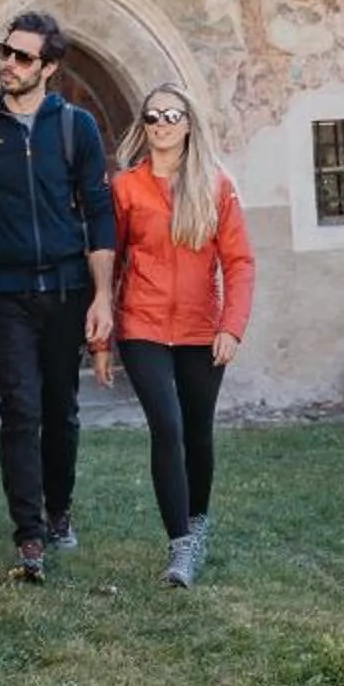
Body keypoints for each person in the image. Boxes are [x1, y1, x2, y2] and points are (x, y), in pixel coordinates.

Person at [0, 11, 117, 584]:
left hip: (66, 289)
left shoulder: (78, 129)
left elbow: (98, 217)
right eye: (5, 52)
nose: (8, 64)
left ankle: (58, 509)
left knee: (61, 411)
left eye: (21, 57)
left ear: (49, 67)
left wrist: (102, 298)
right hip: (4, 291)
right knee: (20, 410)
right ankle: (30, 536)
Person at [107, 82, 254, 589]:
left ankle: (198, 521)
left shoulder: (216, 186)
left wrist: (231, 326)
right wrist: (103, 336)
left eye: (172, 115)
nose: (162, 124)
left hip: (201, 330)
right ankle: (181, 547)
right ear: (144, 126)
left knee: (197, 431)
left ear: (189, 123)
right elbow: (111, 261)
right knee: (167, 427)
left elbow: (239, 263)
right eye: (152, 117)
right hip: (141, 325)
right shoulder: (126, 188)